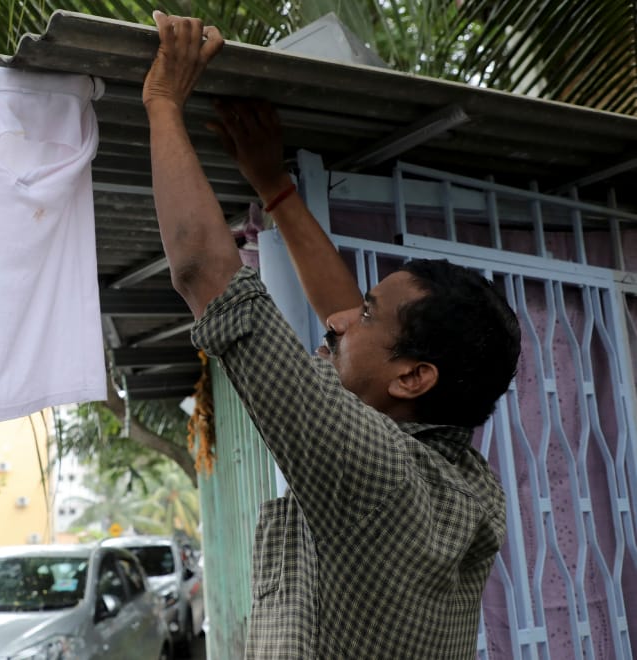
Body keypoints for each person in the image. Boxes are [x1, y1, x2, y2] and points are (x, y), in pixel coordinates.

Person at [142, 11, 522, 659]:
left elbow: (207, 273)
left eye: (367, 315)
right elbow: (353, 322)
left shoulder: (377, 474)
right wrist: (275, 188)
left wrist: (162, 101)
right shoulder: (460, 479)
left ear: (413, 378)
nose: (340, 320)